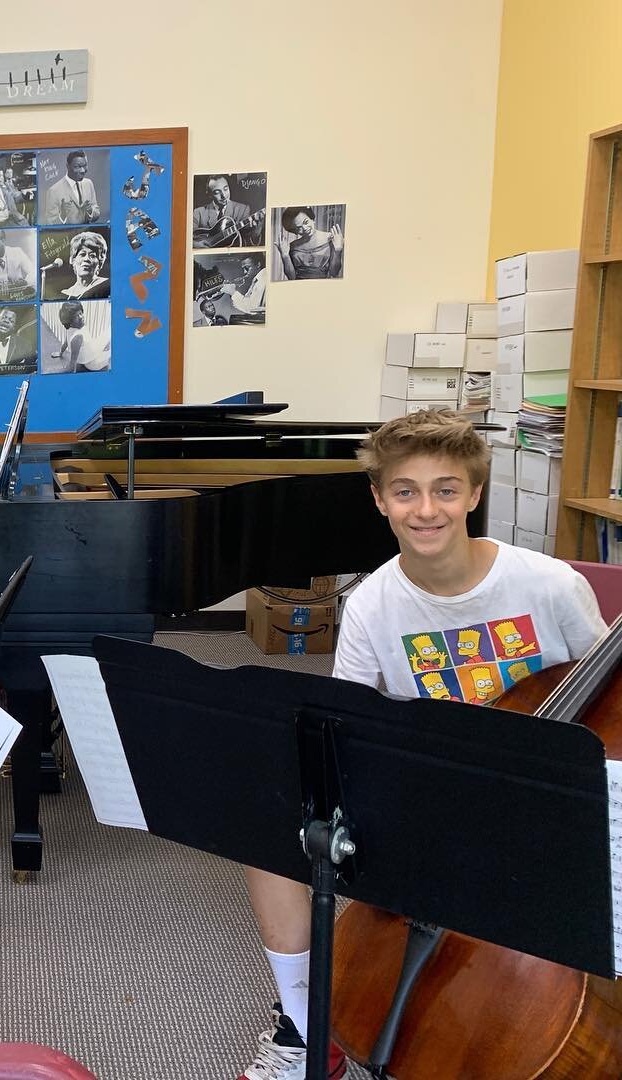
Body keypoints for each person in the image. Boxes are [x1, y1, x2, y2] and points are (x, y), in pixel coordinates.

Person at [234, 408, 605, 1080]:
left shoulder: (550, 587)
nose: (426, 509)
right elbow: (347, 725)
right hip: (430, 802)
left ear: (475, 494)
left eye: (446, 489)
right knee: (267, 826)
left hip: (547, 805)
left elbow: (610, 704)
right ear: (380, 500)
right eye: (406, 491)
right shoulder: (374, 604)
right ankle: (303, 1029)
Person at [192, 175, 265, 248]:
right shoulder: (198, 213)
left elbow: (247, 242)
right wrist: (195, 245)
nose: (223, 196)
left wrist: (256, 233)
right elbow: (186, 237)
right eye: (217, 192)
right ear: (210, 194)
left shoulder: (243, 209)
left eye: (226, 189)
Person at [275, 206, 344, 279]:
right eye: (299, 228)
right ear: (294, 232)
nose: (304, 228)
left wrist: (338, 251)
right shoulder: (292, 246)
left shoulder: (332, 238)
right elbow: (291, 277)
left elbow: (334, 272)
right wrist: (285, 256)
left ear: (312, 219)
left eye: (306, 222)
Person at [46, 300, 109, 373]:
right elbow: (72, 363)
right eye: (76, 316)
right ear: (70, 321)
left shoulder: (70, 328)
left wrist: (60, 353)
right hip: (93, 363)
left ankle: (105, 348)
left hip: (91, 351)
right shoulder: (78, 337)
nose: (81, 317)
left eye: (80, 313)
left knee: (108, 335)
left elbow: (66, 343)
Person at [43, 151, 101, 225]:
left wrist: (91, 211)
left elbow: (96, 212)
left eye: (85, 166)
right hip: (66, 235)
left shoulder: (89, 183)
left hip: (87, 234)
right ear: (68, 166)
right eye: (77, 167)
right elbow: (49, 223)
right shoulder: (53, 191)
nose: (83, 170)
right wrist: (62, 215)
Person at [57, 231, 110, 300]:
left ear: (99, 263)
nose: (86, 259)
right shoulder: (65, 294)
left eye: (92, 256)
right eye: (82, 254)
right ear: (72, 260)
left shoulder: (107, 286)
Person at [220, 253, 266, 324]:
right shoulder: (258, 279)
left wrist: (233, 292)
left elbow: (252, 308)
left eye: (247, 268)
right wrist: (231, 292)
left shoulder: (263, 279)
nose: (244, 272)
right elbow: (247, 303)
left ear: (258, 264)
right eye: (243, 269)